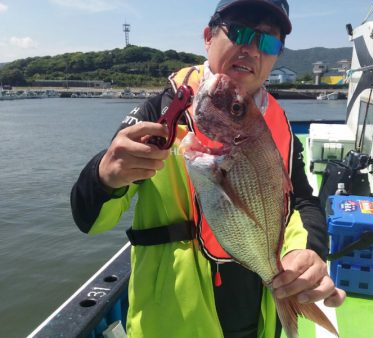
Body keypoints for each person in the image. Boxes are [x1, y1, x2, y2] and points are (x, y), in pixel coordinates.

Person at [71, 0, 346, 337]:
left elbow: (302, 202)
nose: (251, 49)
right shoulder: (160, 112)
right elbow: (89, 220)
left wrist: (308, 251)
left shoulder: (280, 126)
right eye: (240, 32)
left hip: (258, 311)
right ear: (207, 37)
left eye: (269, 41)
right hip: (173, 321)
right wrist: (104, 176)